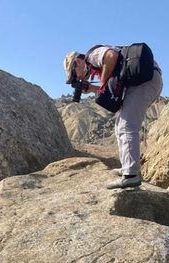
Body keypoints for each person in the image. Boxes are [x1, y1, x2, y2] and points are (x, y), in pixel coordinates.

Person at [63, 45, 163, 189]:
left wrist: (102, 84)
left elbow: (111, 56)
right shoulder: (97, 66)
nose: (77, 78)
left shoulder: (92, 55)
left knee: (127, 126)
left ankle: (131, 175)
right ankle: (127, 168)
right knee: (119, 126)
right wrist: (92, 88)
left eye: (73, 74)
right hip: (145, 81)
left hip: (145, 82)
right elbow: (110, 85)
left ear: (77, 62)